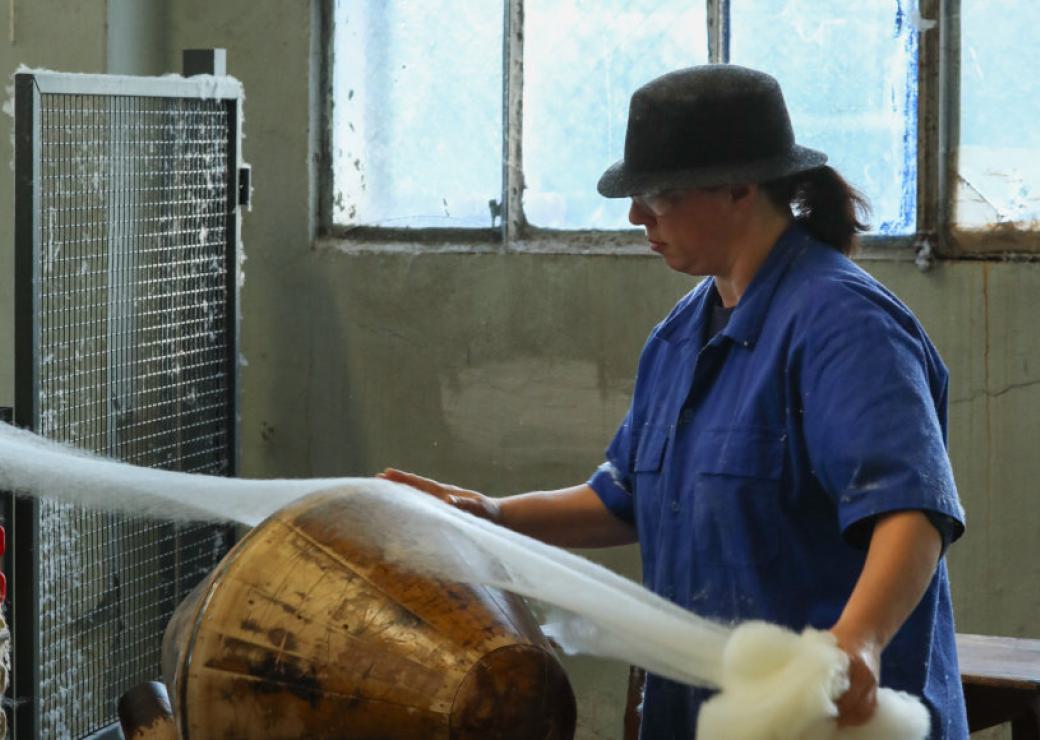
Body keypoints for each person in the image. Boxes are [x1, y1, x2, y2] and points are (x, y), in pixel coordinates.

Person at [382, 64, 967, 739]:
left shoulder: (844, 325)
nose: (636, 216)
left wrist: (857, 642)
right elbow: (625, 497)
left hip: (830, 718)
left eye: (658, 195)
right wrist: (485, 517)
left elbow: (911, 513)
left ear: (741, 189)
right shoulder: (680, 336)